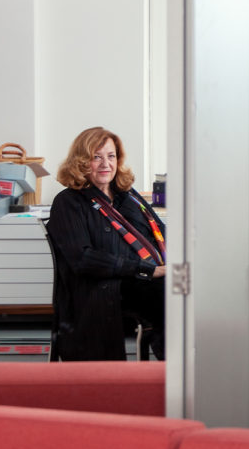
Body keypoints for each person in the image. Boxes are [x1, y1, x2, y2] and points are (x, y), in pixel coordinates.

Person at [45, 126, 166, 361]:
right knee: (168, 291)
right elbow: (83, 259)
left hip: (141, 279)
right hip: (102, 289)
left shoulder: (128, 195)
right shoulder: (68, 202)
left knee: (185, 287)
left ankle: (190, 365)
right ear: (81, 162)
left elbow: (160, 231)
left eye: (111, 157)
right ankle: (175, 371)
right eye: (96, 157)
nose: (105, 164)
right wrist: (146, 270)